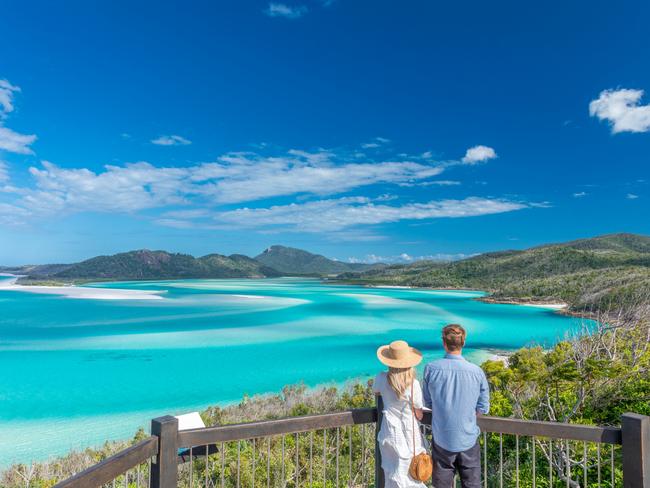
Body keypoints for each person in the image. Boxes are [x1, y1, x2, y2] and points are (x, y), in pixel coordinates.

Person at [422, 324, 490, 488]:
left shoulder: (431, 369)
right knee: (472, 484)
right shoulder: (477, 371)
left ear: (444, 343)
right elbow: (483, 407)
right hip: (468, 438)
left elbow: (428, 402)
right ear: (463, 343)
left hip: (442, 439)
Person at [373, 340, 428, 488]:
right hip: (410, 434)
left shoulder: (381, 378)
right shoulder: (413, 384)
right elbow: (419, 413)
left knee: (391, 473)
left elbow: (375, 391)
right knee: (412, 474)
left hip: (389, 432)